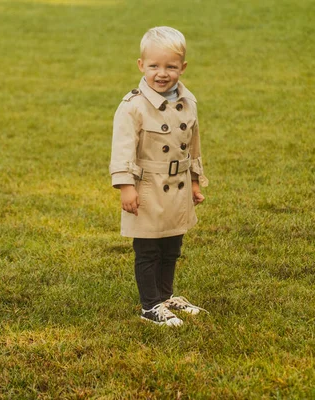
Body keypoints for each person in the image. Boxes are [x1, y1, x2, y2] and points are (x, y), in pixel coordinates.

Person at [109, 26, 209, 327]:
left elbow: (193, 145)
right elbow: (122, 149)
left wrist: (194, 181)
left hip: (177, 190)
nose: (161, 73)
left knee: (171, 248)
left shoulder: (188, 102)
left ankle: (166, 297)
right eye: (154, 66)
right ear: (141, 65)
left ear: (183, 68)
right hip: (148, 189)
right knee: (148, 249)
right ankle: (149, 305)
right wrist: (126, 187)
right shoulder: (133, 106)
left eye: (170, 66)